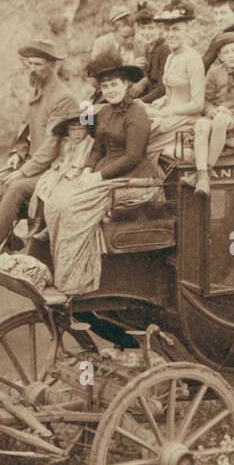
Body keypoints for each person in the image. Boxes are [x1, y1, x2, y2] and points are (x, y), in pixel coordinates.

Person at [41, 49, 157, 297]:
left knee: (74, 207)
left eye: (114, 85)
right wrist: (85, 169)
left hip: (135, 177)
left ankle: (75, 281)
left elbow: (132, 156)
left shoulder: (137, 113)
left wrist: (98, 177)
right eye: (105, 87)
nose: (110, 90)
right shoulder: (103, 112)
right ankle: (59, 268)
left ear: (126, 84)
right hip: (105, 171)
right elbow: (97, 147)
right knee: (56, 201)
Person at [0, 40, 81, 251]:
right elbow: (27, 127)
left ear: (52, 66)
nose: (33, 69)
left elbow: (50, 146)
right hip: (35, 164)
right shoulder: (39, 91)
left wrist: (22, 173)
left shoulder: (62, 97)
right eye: (29, 64)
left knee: (16, 188)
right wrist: (17, 153)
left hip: (55, 169)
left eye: (38, 64)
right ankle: (10, 244)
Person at [184, 33, 234, 197]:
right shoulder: (214, 73)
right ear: (220, 56)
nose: (231, 55)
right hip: (214, 119)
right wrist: (210, 110)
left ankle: (207, 171)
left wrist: (231, 112)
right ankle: (202, 175)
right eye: (226, 52)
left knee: (221, 119)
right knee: (201, 124)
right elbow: (205, 101)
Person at [144, 0, 206, 156]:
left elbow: (198, 104)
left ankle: (149, 177)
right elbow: (171, 92)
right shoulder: (171, 57)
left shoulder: (193, 59)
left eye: (176, 29)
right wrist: (161, 102)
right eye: (167, 30)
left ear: (186, 31)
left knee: (141, 144)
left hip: (185, 121)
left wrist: (167, 112)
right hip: (167, 115)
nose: (170, 34)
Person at [202, 0, 234, 71]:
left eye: (223, 13)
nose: (219, 18)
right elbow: (205, 63)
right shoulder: (219, 36)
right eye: (216, 13)